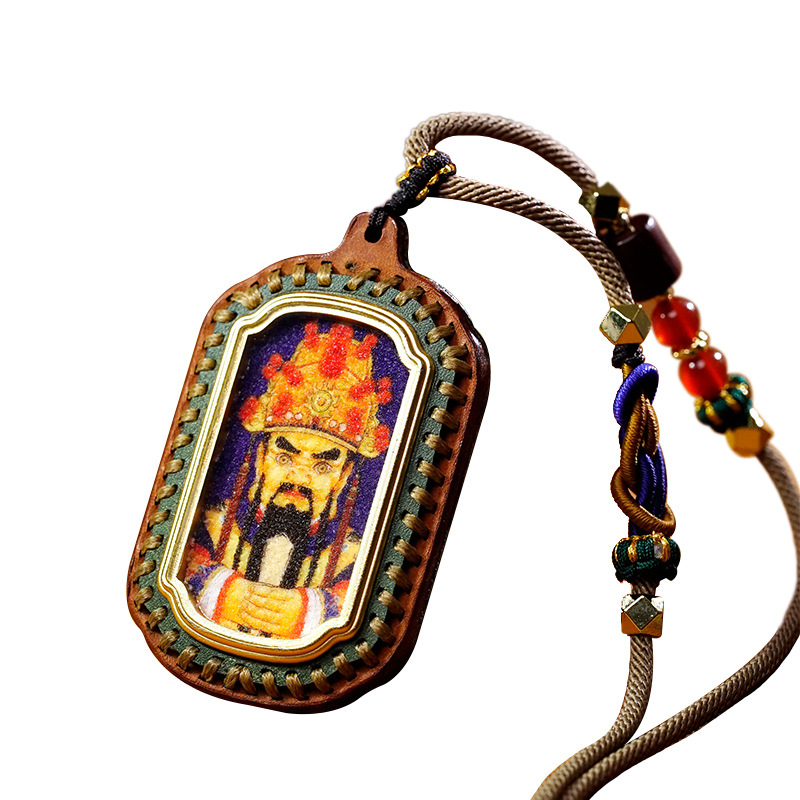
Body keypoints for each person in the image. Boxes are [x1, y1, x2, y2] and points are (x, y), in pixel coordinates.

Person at [184, 321, 394, 638]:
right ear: (261, 458)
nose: (300, 477)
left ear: (343, 477)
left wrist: (314, 612)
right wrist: (218, 589)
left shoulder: (352, 555)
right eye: (285, 458)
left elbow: (373, 601)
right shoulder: (212, 525)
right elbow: (186, 569)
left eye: (322, 466)